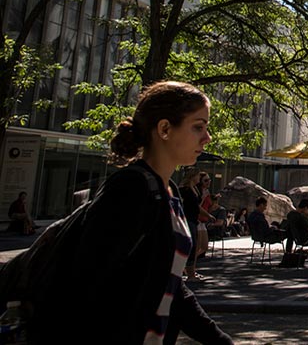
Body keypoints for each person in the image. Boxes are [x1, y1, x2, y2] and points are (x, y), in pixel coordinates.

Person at [25, 81, 230, 342]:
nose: (207, 137)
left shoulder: (169, 193)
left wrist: (220, 340)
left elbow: (170, 286)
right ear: (165, 129)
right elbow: (87, 283)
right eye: (198, 126)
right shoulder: (131, 189)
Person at [179, 168, 212, 281]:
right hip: (188, 219)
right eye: (199, 176)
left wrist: (208, 215)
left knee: (195, 246)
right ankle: (189, 273)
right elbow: (192, 205)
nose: (199, 178)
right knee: (191, 246)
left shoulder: (194, 189)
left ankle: (190, 271)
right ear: (193, 176)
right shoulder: (186, 189)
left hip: (194, 219)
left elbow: (197, 206)